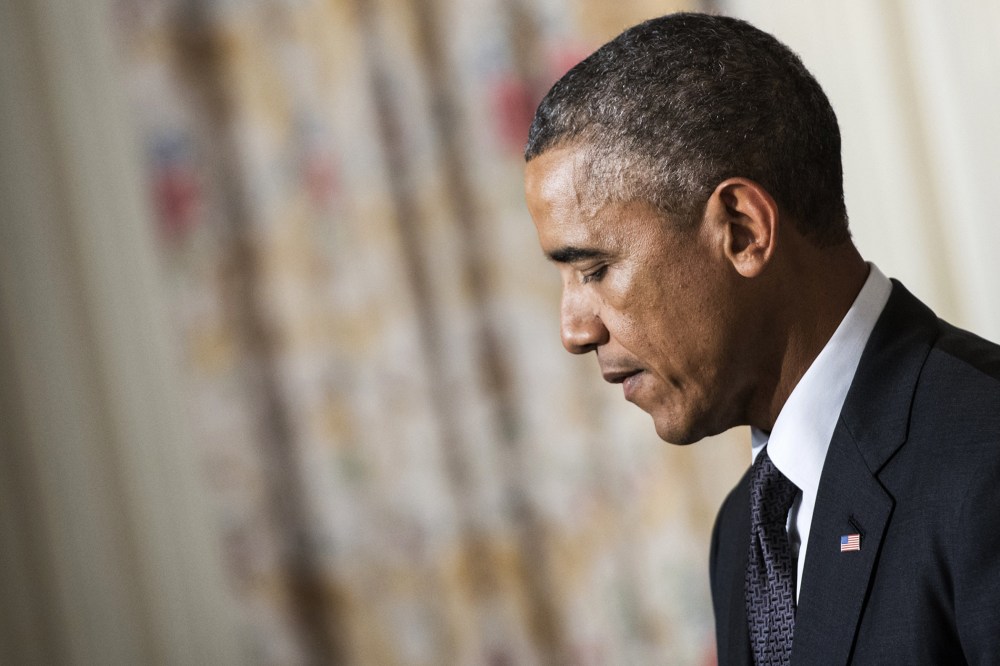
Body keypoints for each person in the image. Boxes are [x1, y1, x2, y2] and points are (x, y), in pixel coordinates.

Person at [522, 12, 1000, 665]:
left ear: (742, 231)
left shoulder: (985, 458)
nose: (574, 329)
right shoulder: (743, 531)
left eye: (596, 269)